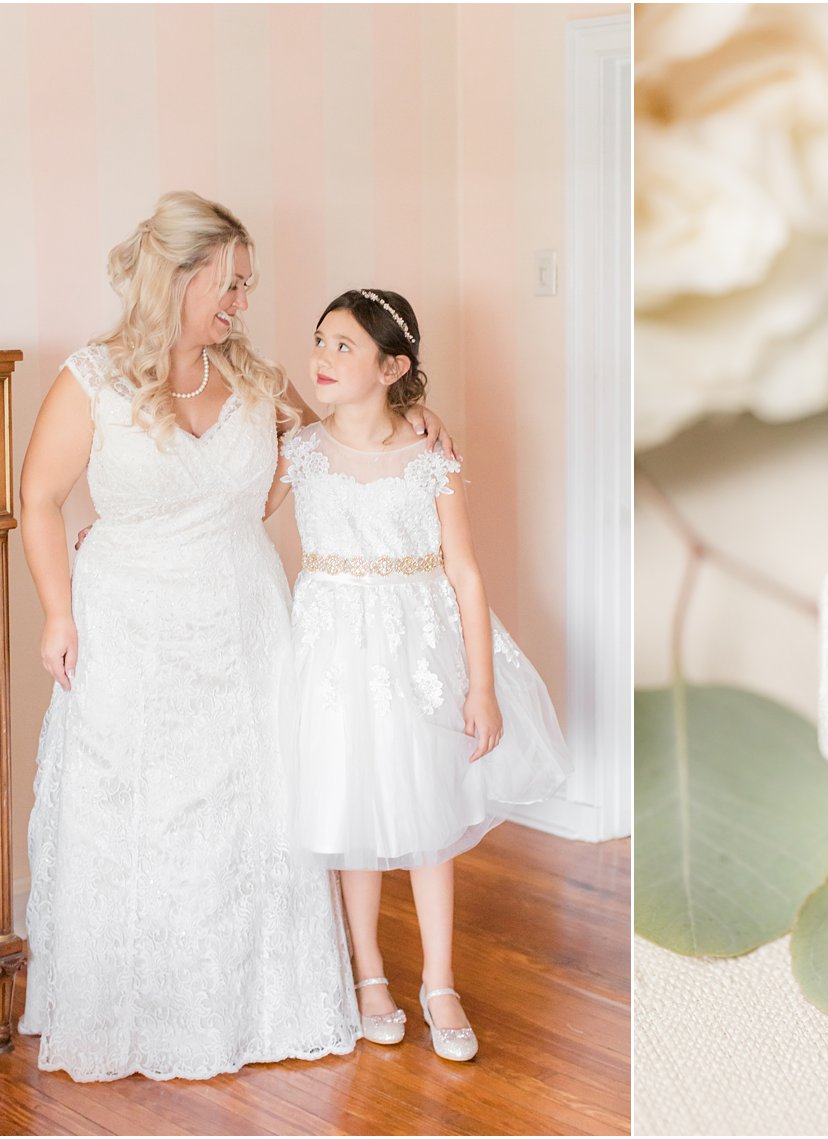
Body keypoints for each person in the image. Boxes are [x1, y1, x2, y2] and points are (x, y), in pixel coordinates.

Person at [16, 192, 453, 1081]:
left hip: (246, 620)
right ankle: (141, 1007)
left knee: (246, 808)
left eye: (246, 286)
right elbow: (39, 499)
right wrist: (59, 612)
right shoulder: (92, 377)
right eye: (233, 284)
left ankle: (256, 1001)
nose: (243, 302)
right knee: (140, 807)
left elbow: (337, 432)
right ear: (180, 277)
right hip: (130, 626)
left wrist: (413, 421)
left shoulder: (252, 377)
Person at [267, 288, 570, 1062]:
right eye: (320, 340)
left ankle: (440, 980)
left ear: (392, 366)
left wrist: (481, 684)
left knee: (428, 815)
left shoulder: (430, 456)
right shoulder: (298, 452)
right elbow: (231, 517)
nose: (324, 358)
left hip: (417, 650)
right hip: (332, 653)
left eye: (344, 346)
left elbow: (464, 573)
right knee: (352, 815)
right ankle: (370, 973)